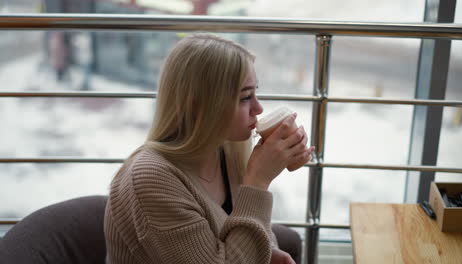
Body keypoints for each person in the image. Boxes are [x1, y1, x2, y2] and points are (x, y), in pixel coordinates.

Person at [104, 33, 314, 264]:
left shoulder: (226, 149)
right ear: (197, 106)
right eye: (245, 97)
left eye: (256, 93)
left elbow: (241, 227)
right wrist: (258, 182)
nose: (258, 108)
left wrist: (269, 250)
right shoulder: (151, 179)